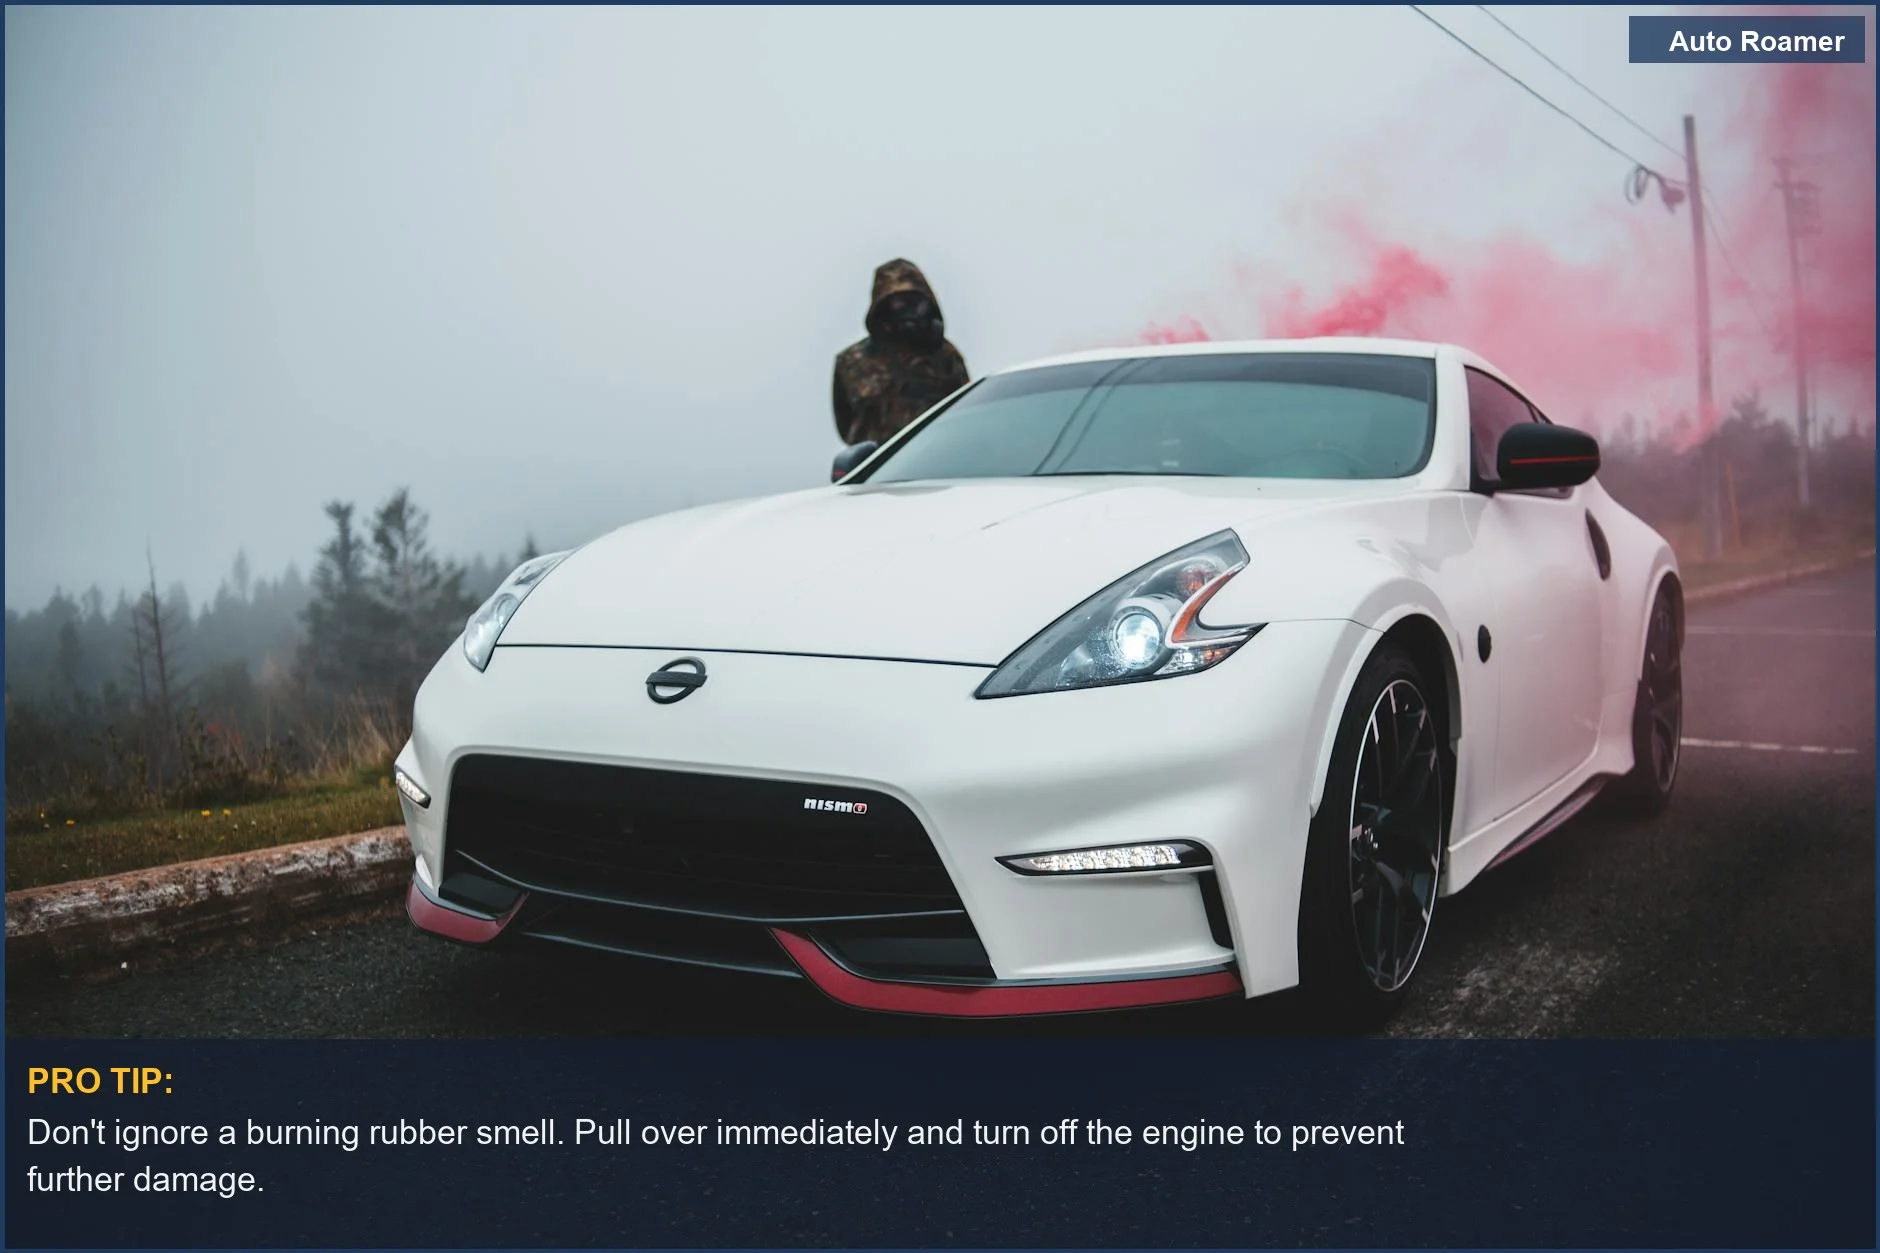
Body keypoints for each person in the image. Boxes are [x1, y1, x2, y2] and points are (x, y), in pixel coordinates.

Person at [832, 259, 970, 447]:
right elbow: (845, 423)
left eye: (916, 303)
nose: (909, 311)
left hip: (938, 458)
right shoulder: (851, 362)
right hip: (878, 462)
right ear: (884, 306)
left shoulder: (946, 356)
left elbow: (967, 414)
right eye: (899, 303)